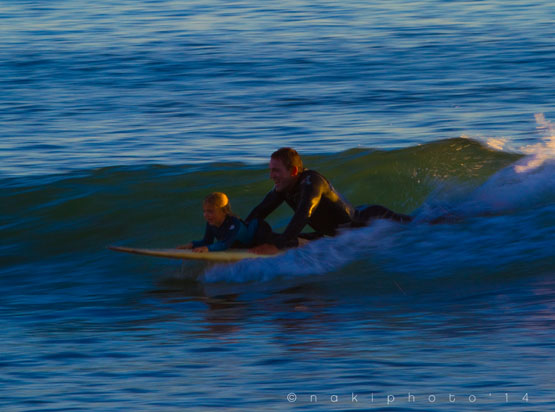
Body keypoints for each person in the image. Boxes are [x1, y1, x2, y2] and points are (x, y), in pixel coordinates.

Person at [246, 148, 412, 254]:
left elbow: (304, 213)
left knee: (420, 225)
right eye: (270, 170)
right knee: (267, 234)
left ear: (294, 171)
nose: (271, 175)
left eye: (276, 170)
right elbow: (259, 211)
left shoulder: (312, 182)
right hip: (340, 235)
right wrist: (241, 234)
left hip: (372, 221)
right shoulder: (284, 187)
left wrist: (278, 246)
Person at [178, 192, 270, 252]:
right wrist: (191, 245)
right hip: (238, 246)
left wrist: (208, 249)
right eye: (204, 211)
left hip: (257, 236)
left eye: (210, 211)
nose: (205, 215)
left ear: (224, 211)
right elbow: (207, 241)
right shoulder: (211, 223)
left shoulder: (234, 223)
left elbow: (226, 244)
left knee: (256, 224)